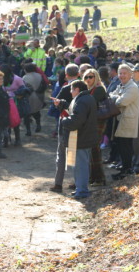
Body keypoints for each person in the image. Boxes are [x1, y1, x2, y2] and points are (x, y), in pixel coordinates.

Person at [59, 80, 98, 199]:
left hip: (81, 139)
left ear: (77, 89)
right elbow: (76, 113)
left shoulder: (81, 101)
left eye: (71, 89)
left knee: (80, 166)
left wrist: (64, 121)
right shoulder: (86, 98)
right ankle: (80, 189)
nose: (70, 92)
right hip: (83, 138)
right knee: (79, 165)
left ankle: (82, 191)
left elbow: (76, 120)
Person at [49, 64, 79, 192]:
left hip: (64, 122)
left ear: (66, 75)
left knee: (61, 153)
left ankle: (58, 183)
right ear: (78, 74)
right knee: (73, 153)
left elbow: (57, 103)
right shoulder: (83, 88)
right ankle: (76, 181)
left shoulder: (66, 88)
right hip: (77, 123)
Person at [109, 64, 139, 180]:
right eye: (120, 73)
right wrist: (115, 97)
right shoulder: (122, 85)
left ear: (130, 74)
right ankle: (125, 168)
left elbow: (121, 102)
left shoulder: (132, 87)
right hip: (121, 120)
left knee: (126, 146)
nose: (122, 75)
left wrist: (115, 98)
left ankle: (127, 170)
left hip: (128, 121)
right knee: (122, 146)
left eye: (124, 73)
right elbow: (111, 95)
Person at [82, 69, 107, 186]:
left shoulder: (99, 89)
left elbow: (90, 102)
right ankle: (93, 177)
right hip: (90, 123)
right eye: (86, 77)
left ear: (96, 77)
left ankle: (99, 179)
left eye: (90, 77)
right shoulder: (87, 90)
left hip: (98, 122)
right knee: (91, 151)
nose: (88, 79)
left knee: (95, 150)